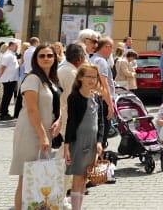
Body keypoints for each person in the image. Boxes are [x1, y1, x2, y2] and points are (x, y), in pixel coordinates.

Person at [9, 43, 62, 210]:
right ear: (35, 59)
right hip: (31, 133)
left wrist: (59, 120)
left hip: (45, 132)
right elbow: (32, 109)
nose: (46, 59)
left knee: (40, 178)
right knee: (26, 178)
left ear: (55, 58)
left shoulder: (52, 79)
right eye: (42, 56)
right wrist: (42, 135)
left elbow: (57, 104)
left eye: (49, 55)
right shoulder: (32, 78)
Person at [64, 64, 103, 210]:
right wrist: (67, 145)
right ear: (80, 78)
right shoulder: (74, 97)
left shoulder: (96, 97)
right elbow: (71, 121)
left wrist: (99, 141)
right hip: (79, 141)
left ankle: (78, 206)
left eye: (94, 77)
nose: (92, 80)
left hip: (93, 142)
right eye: (89, 76)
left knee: (85, 178)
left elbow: (101, 122)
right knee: (78, 177)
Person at [90, 37, 115, 148]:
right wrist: (110, 105)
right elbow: (104, 84)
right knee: (103, 131)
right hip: (102, 100)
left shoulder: (93, 58)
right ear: (107, 47)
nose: (111, 51)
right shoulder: (101, 61)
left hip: (95, 98)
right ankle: (99, 159)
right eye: (111, 47)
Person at [58, 44, 85, 139]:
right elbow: (72, 98)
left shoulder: (64, 69)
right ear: (81, 58)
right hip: (67, 115)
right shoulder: (71, 73)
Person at [0, 40, 20, 121]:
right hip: (8, 79)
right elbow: (3, 66)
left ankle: (5, 112)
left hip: (12, 78)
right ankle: (3, 114)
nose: (17, 47)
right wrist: (0, 75)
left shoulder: (12, 54)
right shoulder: (8, 55)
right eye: (15, 46)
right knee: (6, 97)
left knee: (8, 97)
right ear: (11, 46)